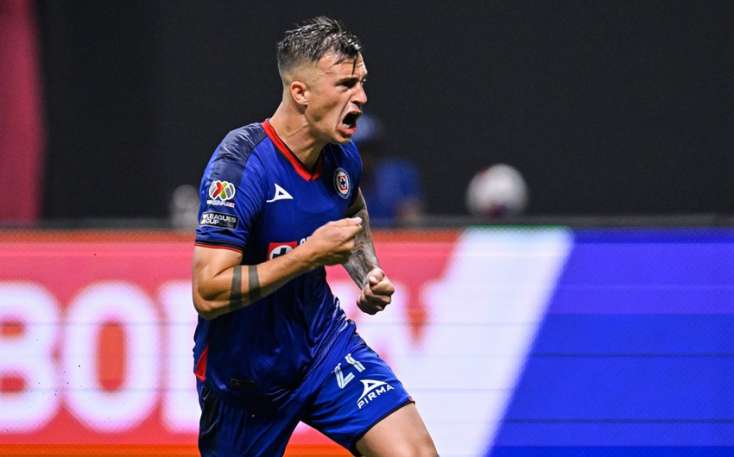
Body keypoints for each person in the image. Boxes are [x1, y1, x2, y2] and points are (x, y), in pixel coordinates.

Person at [191, 17, 438, 457]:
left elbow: (352, 211)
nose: (361, 98)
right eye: (345, 84)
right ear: (300, 93)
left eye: (361, 83)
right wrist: (307, 256)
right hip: (244, 379)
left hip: (324, 349)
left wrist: (366, 273)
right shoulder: (241, 166)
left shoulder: (343, 158)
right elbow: (207, 291)